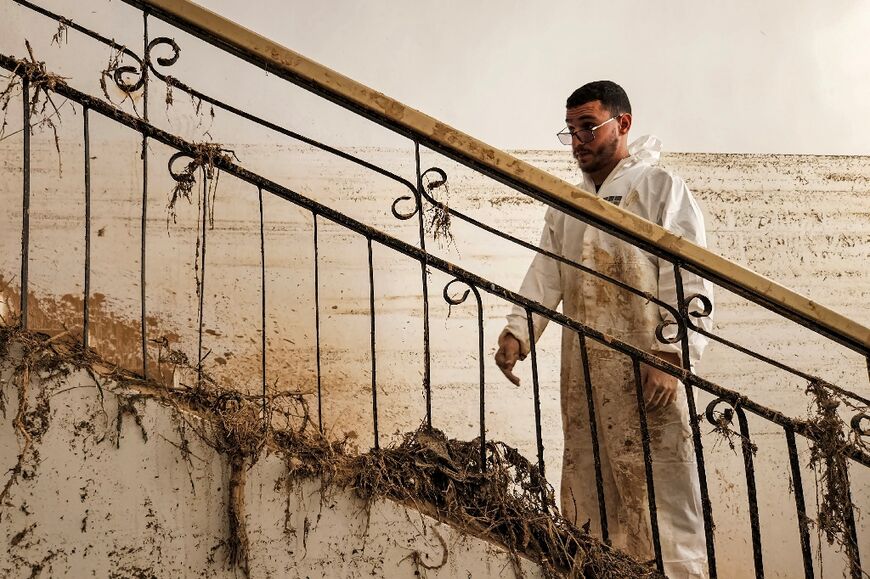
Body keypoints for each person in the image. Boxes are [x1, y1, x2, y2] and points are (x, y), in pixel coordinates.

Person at [494, 80, 714, 578]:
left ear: (623, 124)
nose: (578, 141)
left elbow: (687, 278)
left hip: (647, 374)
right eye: (570, 131)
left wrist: (670, 357)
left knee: (660, 493)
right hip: (586, 374)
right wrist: (518, 332)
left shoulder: (659, 188)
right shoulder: (567, 204)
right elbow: (547, 270)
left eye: (588, 127)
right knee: (589, 489)